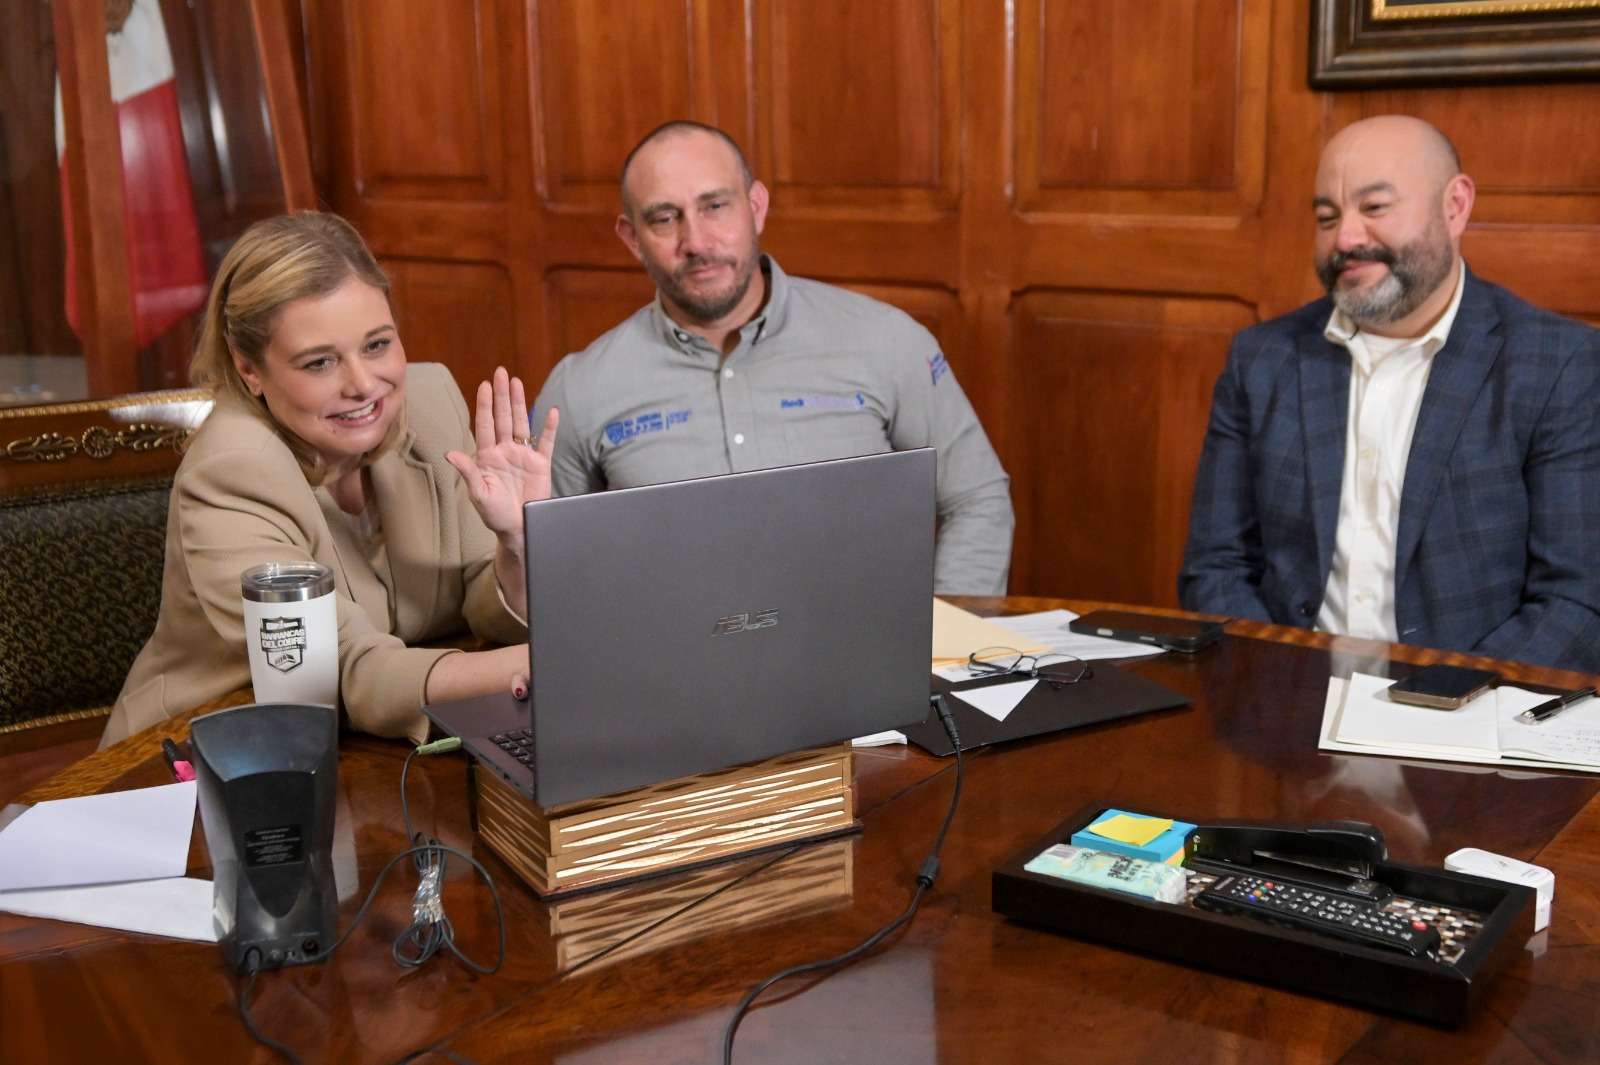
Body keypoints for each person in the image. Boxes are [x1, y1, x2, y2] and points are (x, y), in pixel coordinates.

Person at [102, 212, 559, 746]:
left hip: (370, 747)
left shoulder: (431, 401)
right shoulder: (230, 471)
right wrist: (541, 666)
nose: (363, 384)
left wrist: (517, 544)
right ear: (249, 369)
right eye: (319, 363)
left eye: (377, 345)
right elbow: (338, 669)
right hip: (211, 754)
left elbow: (480, 597)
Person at [1179, 115, 1600, 671]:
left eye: (1375, 208)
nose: (1346, 239)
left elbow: (1577, 604)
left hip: (1471, 705)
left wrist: (1435, 703)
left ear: (1455, 207)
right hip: (1285, 696)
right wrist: (1279, 687)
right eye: (1327, 217)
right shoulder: (1262, 358)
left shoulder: (1559, 365)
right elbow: (1215, 570)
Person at [529, 121, 1014, 596]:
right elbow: (550, 568)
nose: (696, 242)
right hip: (667, 650)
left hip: (861, 644)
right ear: (632, 238)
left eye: (715, 206)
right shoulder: (579, 389)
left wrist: (943, 637)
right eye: (663, 218)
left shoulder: (886, 342)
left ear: (756, 207)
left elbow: (976, 498)